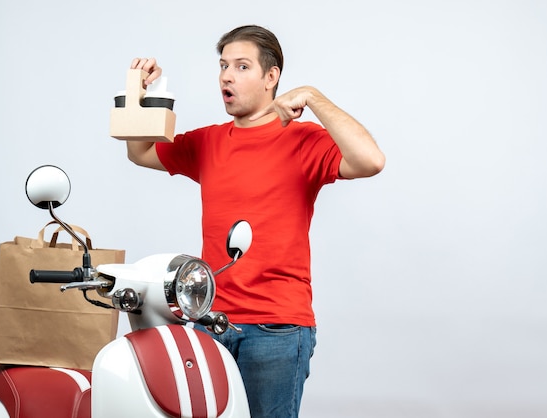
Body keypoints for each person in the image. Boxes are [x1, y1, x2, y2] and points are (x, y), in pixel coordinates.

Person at [126, 25, 385, 418]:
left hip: (277, 329)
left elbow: (371, 160)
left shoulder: (303, 140)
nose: (227, 76)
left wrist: (313, 96)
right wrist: (140, 93)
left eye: (242, 66)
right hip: (210, 323)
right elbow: (140, 152)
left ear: (271, 77)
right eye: (223, 66)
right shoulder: (207, 142)